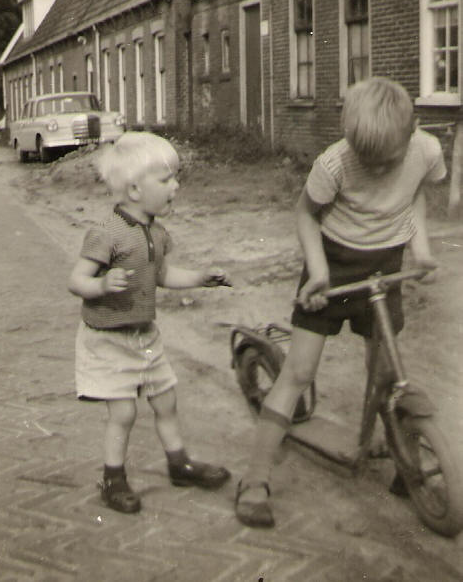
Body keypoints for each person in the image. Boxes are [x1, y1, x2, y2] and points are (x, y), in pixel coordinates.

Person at [234, 76, 446, 528]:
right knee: (299, 372)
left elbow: (417, 195)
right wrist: (320, 271)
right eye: (367, 163)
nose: (377, 172)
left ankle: (397, 455)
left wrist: (420, 249)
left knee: (385, 369)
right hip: (332, 262)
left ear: (413, 132)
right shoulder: (334, 164)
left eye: (386, 163)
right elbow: (306, 215)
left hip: (387, 261)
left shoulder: (426, 150)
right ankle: (254, 479)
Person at [69, 131, 231, 514]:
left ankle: (179, 464)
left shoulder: (157, 233)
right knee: (124, 412)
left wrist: (199, 279)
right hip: (107, 338)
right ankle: (114, 478)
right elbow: (75, 281)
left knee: (166, 400)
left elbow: (162, 276)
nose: (175, 186)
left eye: (175, 177)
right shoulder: (106, 233)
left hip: (145, 336)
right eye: (166, 179)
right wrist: (102, 284)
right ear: (136, 189)